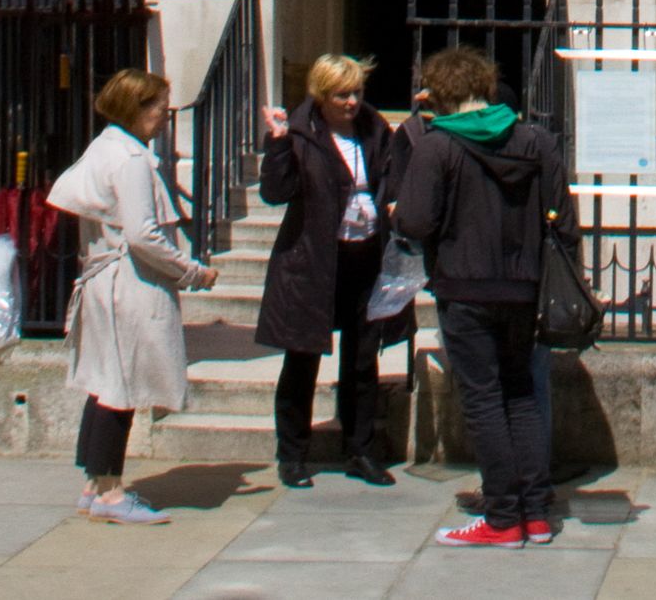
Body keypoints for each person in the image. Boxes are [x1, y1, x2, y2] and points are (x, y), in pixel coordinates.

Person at [391, 45, 577, 551]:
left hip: (465, 285)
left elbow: (415, 221)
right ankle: (535, 512)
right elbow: (566, 219)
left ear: (439, 95)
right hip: (524, 288)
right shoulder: (536, 141)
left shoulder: (437, 146)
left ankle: (501, 516)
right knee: (520, 393)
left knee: (483, 400)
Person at [48, 67, 218, 524]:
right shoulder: (131, 160)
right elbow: (143, 235)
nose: (165, 118)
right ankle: (109, 493)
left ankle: (93, 484)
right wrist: (192, 272)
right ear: (137, 109)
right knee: (119, 388)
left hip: (105, 280)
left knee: (106, 382)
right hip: (128, 282)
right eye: (160, 109)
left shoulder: (104, 147)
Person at [257, 55, 408, 488]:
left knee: (362, 359)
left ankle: (359, 450)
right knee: (302, 358)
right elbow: (276, 192)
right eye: (342, 94)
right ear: (322, 95)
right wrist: (279, 144)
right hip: (313, 260)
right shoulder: (302, 134)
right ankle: (293, 454)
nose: (351, 102)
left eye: (357, 92)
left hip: (365, 256)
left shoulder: (375, 131)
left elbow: (393, 180)